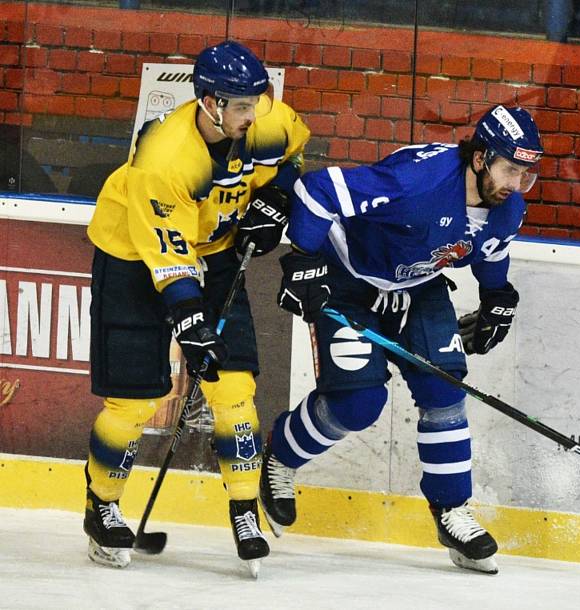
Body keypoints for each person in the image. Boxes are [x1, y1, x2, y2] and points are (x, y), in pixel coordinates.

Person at [259, 104, 542, 574]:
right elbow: (318, 188)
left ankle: (452, 510)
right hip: (349, 277)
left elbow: (491, 252)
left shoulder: (506, 206)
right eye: (510, 170)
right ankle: (280, 457)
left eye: (525, 174)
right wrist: (302, 258)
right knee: (357, 404)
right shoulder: (421, 181)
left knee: (444, 391)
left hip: (415, 286)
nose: (516, 184)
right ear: (479, 159)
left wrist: (497, 296)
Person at [82, 40, 310, 572]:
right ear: (209, 102)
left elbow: (293, 156)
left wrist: (278, 196)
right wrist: (191, 323)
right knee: (134, 403)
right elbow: (169, 259)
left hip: (215, 249)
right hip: (132, 257)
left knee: (235, 388)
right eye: (241, 106)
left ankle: (243, 507)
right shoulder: (164, 158)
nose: (254, 115)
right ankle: (102, 507)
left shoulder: (266, 118)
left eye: (258, 101)